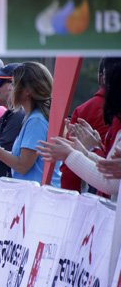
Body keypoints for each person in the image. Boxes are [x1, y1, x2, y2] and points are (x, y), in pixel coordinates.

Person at [0, 62, 60, 185]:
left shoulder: (36, 120)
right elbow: (19, 160)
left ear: (27, 91)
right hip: (33, 195)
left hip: (38, 197)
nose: (10, 88)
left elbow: (22, 166)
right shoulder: (32, 117)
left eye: (14, 84)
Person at [39, 63, 121, 200]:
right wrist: (85, 151)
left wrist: (72, 154)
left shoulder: (87, 109)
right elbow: (111, 168)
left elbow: (110, 182)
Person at [59, 57, 115, 192]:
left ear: (102, 77)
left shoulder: (86, 110)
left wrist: (69, 198)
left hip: (100, 194)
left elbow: (70, 168)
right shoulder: (87, 110)